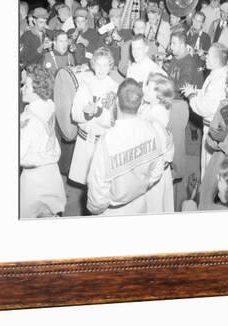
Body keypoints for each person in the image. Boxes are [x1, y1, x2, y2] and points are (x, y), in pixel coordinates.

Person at [87, 78, 166, 216]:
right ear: (141, 103)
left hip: (112, 211)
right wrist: (142, 186)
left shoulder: (106, 143)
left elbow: (97, 193)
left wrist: (97, 211)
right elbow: (158, 170)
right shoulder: (152, 130)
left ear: (116, 102)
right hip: (141, 204)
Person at [19, 65, 66, 218]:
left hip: (34, 180)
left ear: (37, 91)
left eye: (26, 86)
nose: (22, 89)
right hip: (51, 172)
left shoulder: (31, 120)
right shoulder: (49, 105)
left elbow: (19, 154)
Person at [68, 47, 118, 186]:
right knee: (84, 182)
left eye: (105, 65)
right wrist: (85, 114)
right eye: (98, 64)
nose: (101, 69)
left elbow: (110, 120)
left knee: (99, 183)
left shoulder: (112, 89)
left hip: (100, 143)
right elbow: (75, 113)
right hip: (84, 141)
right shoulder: (85, 85)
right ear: (93, 65)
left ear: (110, 67)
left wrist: (98, 112)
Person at [181, 42, 228, 179]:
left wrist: (191, 96)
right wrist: (195, 91)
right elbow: (208, 94)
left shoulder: (218, 80)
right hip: (214, 127)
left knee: (209, 171)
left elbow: (205, 108)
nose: (205, 57)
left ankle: (206, 199)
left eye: (208, 56)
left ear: (215, 60)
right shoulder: (218, 74)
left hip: (213, 130)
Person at [162, 31, 199, 210]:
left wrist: (164, 87)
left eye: (174, 43)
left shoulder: (188, 62)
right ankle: (172, 169)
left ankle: (178, 173)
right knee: (170, 139)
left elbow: (182, 85)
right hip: (171, 102)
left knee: (177, 141)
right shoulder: (175, 59)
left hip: (179, 105)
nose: (171, 46)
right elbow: (170, 78)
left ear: (183, 44)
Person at [198, 66, 228, 209]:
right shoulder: (224, 106)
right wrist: (216, 139)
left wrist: (224, 138)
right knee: (204, 193)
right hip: (219, 157)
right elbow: (210, 140)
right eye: (227, 84)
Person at [139, 73, 176, 213]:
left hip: (156, 167)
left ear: (159, 94)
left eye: (149, 88)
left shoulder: (156, 114)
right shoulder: (152, 106)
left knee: (154, 206)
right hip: (157, 164)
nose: (145, 90)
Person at [186, 11, 211, 86]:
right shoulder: (186, 33)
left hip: (196, 75)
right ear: (192, 19)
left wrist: (202, 55)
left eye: (199, 21)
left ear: (202, 24)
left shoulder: (205, 37)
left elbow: (206, 59)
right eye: (195, 20)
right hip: (184, 70)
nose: (196, 23)